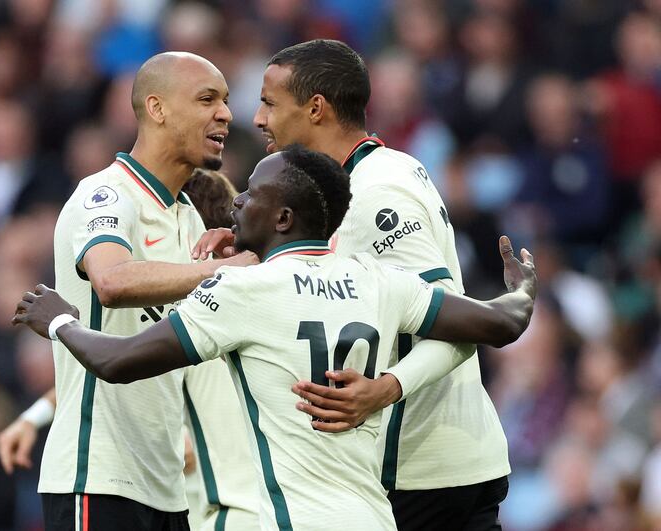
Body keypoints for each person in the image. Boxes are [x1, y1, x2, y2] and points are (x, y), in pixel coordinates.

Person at [13, 146, 536, 531]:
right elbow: (502, 324)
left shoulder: (244, 291)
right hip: (374, 518)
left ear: (284, 217)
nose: (237, 201)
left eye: (252, 194)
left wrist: (60, 320)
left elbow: (120, 360)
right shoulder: (381, 281)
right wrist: (523, 288)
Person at [191, 39, 514, 530]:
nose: (257, 118)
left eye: (270, 103)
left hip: (428, 473)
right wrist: (253, 252)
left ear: (315, 108)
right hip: (414, 469)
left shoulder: (378, 191)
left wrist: (384, 389)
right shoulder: (359, 179)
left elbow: (456, 321)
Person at [34, 51, 257, 531]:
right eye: (206, 99)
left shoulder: (188, 217)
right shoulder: (107, 193)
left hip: (166, 485)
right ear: (156, 109)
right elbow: (111, 281)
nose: (226, 113)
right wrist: (227, 270)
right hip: (98, 475)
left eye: (223, 100)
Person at [0, 165, 260, 530]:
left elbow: (121, 359)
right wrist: (35, 415)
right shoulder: (259, 305)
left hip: (221, 516)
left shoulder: (198, 322)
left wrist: (59, 323)